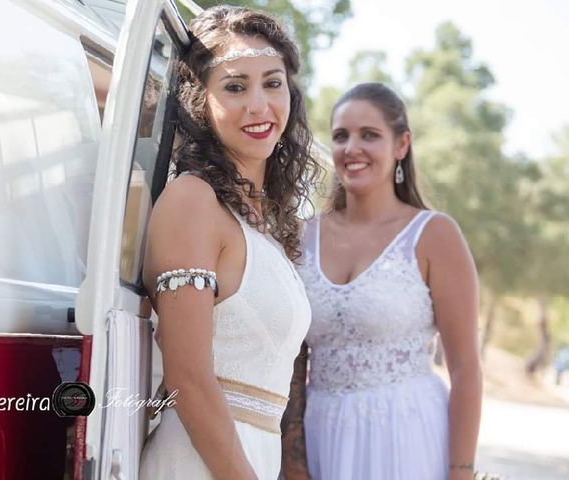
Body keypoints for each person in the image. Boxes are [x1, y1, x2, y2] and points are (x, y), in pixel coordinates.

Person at [139, 6, 321, 480]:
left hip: (250, 457)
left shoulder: (262, 224)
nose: (259, 105)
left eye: (272, 83)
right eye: (236, 87)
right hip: (199, 463)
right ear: (201, 100)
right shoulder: (192, 201)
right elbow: (188, 379)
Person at [281, 83, 483, 480]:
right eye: (341, 136)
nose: (351, 148)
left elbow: (465, 369)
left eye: (369, 135)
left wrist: (461, 472)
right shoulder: (301, 237)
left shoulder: (434, 235)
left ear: (402, 144)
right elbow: (292, 358)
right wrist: (293, 457)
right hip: (324, 434)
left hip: (405, 434)